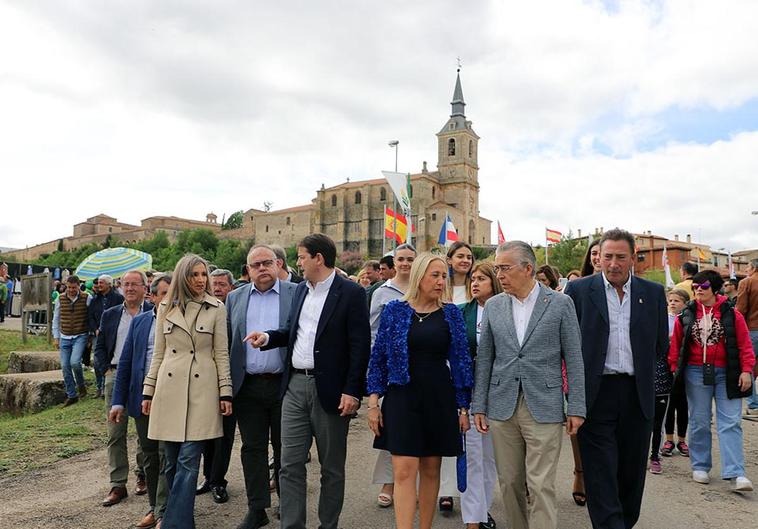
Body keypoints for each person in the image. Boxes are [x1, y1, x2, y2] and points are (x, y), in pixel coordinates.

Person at [246, 233, 370, 529]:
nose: (297, 263)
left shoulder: (350, 293)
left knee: (331, 468)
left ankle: (328, 525)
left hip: (330, 391)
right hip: (294, 388)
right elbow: (292, 331)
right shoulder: (301, 290)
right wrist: (267, 338)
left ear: (319, 259)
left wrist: (352, 390)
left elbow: (360, 345)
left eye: (302, 257)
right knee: (289, 465)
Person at [473, 241, 585, 529]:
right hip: (501, 405)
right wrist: (479, 405)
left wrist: (576, 406)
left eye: (505, 268)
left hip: (544, 405)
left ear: (528, 268)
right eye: (497, 268)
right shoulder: (494, 306)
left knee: (540, 484)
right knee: (509, 482)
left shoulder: (561, 303)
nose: (499, 275)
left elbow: (574, 358)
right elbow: (485, 358)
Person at [564, 228, 669, 529]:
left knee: (631, 473)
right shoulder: (580, 292)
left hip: (637, 394)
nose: (613, 264)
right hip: (596, 394)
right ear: (598, 257)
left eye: (620, 257)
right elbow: (568, 343)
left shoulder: (652, 294)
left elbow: (661, 345)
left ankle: (623, 522)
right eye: (607, 256)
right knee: (600, 471)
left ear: (633, 258)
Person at [366, 252, 472, 529]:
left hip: (438, 397)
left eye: (443, 276)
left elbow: (461, 363)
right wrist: (373, 403)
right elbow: (378, 359)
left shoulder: (451, 314)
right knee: (403, 470)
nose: (440, 282)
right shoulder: (394, 310)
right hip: (402, 396)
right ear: (419, 276)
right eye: (434, 275)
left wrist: (463, 407)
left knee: (430, 468)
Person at [142, 254, 233, 529]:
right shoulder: (165, 308)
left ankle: (174, 525)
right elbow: (158, 354)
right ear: (183, 276)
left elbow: (221, 353)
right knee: (171, 462)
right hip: (169, 390)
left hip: (202, 392)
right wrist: (148, 391)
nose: (201, 280)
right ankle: (182, 520)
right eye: (194, 274)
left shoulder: (216, 307)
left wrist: (225, 391)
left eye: (203, 274)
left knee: (188, 460)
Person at [225, 245, 297, 529]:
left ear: (278, 264)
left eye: (267, 263)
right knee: (252, 448)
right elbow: (228, 342)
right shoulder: (235, 297)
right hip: (249, 387)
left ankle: (286, 503)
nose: (262, 268)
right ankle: (257, 509)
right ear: (248, 270)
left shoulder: (295, 293)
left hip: (284, 385)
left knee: (286, 449)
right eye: (255, 265)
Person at [669, 269, 754, 491]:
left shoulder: (732, 313)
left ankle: (736, 473)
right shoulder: (686, 314)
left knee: (731, 422)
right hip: (695, 372)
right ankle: (700, 466)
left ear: (715, 288)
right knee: (699, 420)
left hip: (728, 372)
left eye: (704, 287)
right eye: (696, 287)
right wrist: (673, 369)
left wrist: (747, 370)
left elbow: (745, 345)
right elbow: (676, 346)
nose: (698, 290)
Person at [110, 274, 171, 528]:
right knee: (150, 456)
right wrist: (118, 401)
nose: (169, 299)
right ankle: (154, 507)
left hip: (170, 399)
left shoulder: (183, 323)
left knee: (165, 454)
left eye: (173, 294)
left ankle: (165, 511)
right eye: (164, 294)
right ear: (153, 297)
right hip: (142, 399)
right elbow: (125, 363)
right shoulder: (141, 322)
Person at [95, 270, 153, 507]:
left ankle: (143, 475)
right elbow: (99, 348)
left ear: (144, 287)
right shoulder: (110, 315)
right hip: (116, 374)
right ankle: (118, 483)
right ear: (119, 287)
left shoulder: (153, 312)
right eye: (125, 284)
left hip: (143, 376)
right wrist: (106, 370)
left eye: (134, 284)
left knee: (144, 430)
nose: (129, 288)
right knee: (115, 433)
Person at [368, 244, 417, 508]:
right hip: (392, 369)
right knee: (393, 429)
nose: (406, 263)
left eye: (411, 259)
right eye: (401, 259)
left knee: (423, 429)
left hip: (423, 366)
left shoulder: (425, 286)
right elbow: (374, 332)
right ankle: (391, 482)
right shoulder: (382, 293)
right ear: (393, 262)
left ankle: (417, 483)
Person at [458, 262, 502, 529]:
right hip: (470, 394)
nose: (475, 283)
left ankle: (483, 511)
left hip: (499, 394)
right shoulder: (461, 312)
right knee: (472, 456)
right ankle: (472, 519)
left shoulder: (506, 311)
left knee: (491, 458)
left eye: (482, 279)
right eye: (472, 279)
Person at [196, 268, 237, 503]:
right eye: (215, 284)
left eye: (222, 284)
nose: (218, 288)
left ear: (230, 287)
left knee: (224, 435)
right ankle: (208, 476)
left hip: (230, 383)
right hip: (205, 382)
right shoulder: (203, 310)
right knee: (206, 432)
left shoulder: (236, 310)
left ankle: (218, 481)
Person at [52, 275, 92, 406]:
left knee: (75, 362)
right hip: (65, 336)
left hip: (80, 335)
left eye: (73, 287)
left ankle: (81, 385)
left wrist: (90, 335)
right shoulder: (60, 298)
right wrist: (56, 337)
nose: (71, 290)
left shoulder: (87, 298)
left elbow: (91, 317)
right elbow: (56, 318)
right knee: (65, 366)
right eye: (69, 287)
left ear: (79, 286)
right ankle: (72, 394)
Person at [660, 289, 690, 458]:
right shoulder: (664, 319)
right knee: (669, 405)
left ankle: (682, 439)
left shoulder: (687, 319)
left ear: (685, 303)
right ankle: (669, 439)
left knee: (683, 404)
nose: (672, 303)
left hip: (683, 366)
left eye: (677, 301)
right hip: (667, 365)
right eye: (670, 300)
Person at [89, 274, 125, 398]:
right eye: (98, 283)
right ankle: (100, 386)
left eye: (101, 283)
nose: (99, 285)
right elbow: (90, 316)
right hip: (98, 334)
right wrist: (95, 329)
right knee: (98, 361)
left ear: (109, 284)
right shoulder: (95, 300)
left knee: (110, 359)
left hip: (112, 334)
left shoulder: (118, 298)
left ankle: (107, 386)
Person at [736, 259, 758, 417]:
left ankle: (754, 405)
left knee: (747, 365)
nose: (745, 269)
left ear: (754, 268)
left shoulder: (747, 283)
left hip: (752, 328)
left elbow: (741, 309)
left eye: (748, 266)